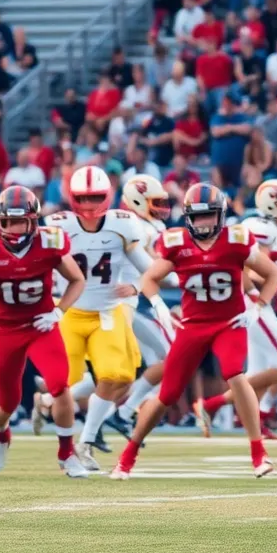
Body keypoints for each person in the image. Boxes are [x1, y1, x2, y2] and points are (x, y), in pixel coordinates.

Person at [113, 183, 277, 479]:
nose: (204, 223)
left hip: (229, 322)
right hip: (192, 325)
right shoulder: (176, 241)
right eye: (198, 217)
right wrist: (158, 306)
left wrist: (258, 306)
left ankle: (259, 454)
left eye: (209, 216)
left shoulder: (237, 239)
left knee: (235, 373)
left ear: (221, 216)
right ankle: (127, 457)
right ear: (189, 217)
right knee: (167, 394)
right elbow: (150, 278)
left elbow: (273, 273)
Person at [0, 186, 89, 478]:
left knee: (60, 386)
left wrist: (59, 311)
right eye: (9, 221)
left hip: (39, 326)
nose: (15, 228)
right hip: (4, 330)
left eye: (21, 221)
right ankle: (1, 434)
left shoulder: (50, 241)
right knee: (8, 402)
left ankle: (67, 452)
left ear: (34, 220)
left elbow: (77, 280)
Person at [43, 166, 158, 471]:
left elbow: (149, 268)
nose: (91, 205)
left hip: (107, 310)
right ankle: (66, 443)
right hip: (67, 311)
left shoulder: (124, 226)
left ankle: (84, 442)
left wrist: (138, 286)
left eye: (96, 197)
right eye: (84, 198)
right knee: (63, 385)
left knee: (117, 376)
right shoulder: (57, 226)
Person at [196, 180, 277, 436]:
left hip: (257, 299)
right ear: (272, 205)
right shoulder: (258, 227)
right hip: (251, 301)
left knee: (259, 370)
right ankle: (211, 405)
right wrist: (255, 291)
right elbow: (245, 265)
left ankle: (256, 419)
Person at [110, 176, 178, 428]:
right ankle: (123, 411)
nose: (161, 207)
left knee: (137, 369)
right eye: (154, 202)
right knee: (171, 356)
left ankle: (123, 413)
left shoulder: (145, 226)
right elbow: (155, 271)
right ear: (138, 201)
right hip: (134, 301)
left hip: (134, 300)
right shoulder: (141, 229)